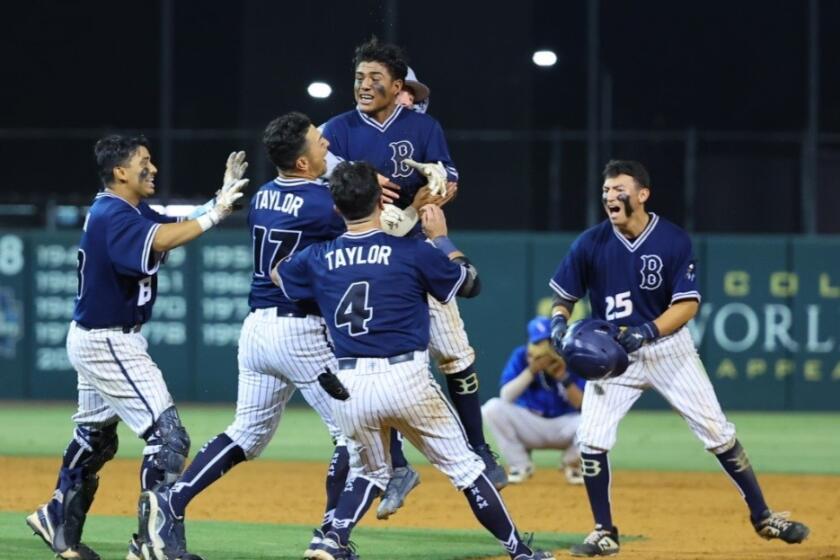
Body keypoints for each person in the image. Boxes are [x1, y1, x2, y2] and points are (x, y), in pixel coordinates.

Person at [273, 160, 553, 560]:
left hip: (350, 385)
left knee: (369, 473)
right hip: (406, 379)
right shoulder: (411, 250)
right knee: (467, 470)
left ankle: (332, 538)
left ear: (336, 209)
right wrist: (442, 240)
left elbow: (279, 273)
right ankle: (519, 552)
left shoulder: (318, 257)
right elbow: (469, 282)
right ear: (379, 201)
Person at [548, 160, 810, 557]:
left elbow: (686, 305)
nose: (609, 197)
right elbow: (564, 296)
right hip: (615, 355)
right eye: (605, 191)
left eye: (618, 189)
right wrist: (557, 323)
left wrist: (648, 330)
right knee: (591, 439)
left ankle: (763, 516)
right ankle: (604, 531)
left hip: (668, 349)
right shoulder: (590, 243)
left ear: (641, 194)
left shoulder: (672, 240)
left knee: (718, 432)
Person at [136, 113, 353, 560]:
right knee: (355, 434)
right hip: (302, 331)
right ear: (301, 161)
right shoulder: (321, 204)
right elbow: (362, 232)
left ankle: (173, 500)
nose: (327, 146)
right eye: (318, 143)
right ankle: (332, 538)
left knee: (247, 432)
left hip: (257, 330)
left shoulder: (265, 196)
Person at [25, 135, 248, 560]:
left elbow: (166, 226)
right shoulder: (113, 213)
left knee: (96, 438)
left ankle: (59, 515)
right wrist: (217, 214)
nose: (154, 168)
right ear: (120, 172)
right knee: (168, 438)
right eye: (144, 162)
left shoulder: (122, 208)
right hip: (108, 339)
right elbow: (162, 240)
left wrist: (215, 201)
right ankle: (154, 543)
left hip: (96, 336)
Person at [321, 37, 506, 520]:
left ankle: (479, 450)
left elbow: (448, 181)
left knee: (455, 352)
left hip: (415, 249)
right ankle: (396, 464)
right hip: (362, 254)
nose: (365, 85)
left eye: (374, 78)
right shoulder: (336, 131)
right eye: (360, 77)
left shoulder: (424, 128)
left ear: (399, 86)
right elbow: (318, 186)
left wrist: (416, 205)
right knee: (381, 361)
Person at [482, 316, 584, 485]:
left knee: (596, 420)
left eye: (548, 341)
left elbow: (583, 405)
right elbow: (506, 396)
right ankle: (520, 465)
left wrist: (563, 377)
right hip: (530, 424)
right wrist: (531, 371)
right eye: (539, 342)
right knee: (492, 408)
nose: (545, 348)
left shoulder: (571, 358)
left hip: (565, 426)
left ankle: (572, 462)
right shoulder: (521, 356)